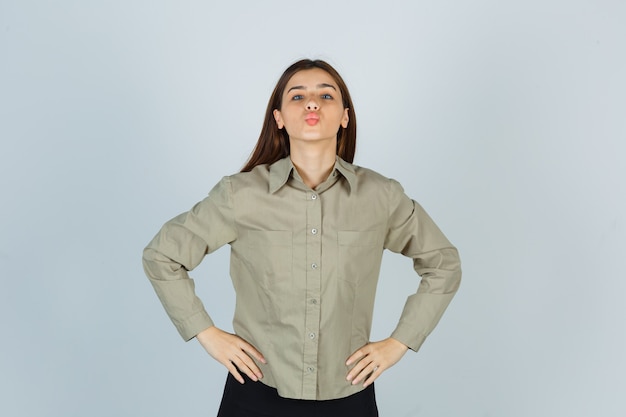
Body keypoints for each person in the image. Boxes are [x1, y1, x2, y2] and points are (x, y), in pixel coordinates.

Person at [142, 59, 461, 417]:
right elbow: (162, 256)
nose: (312, 103)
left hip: (348, 394)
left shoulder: (380, 196)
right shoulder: (240, 194)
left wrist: (400, 342)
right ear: (279, 117)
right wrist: (205, 333)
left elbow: (443, 264)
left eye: (326, 95)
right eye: (298, 96)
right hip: (256, 392)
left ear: (344, 116)